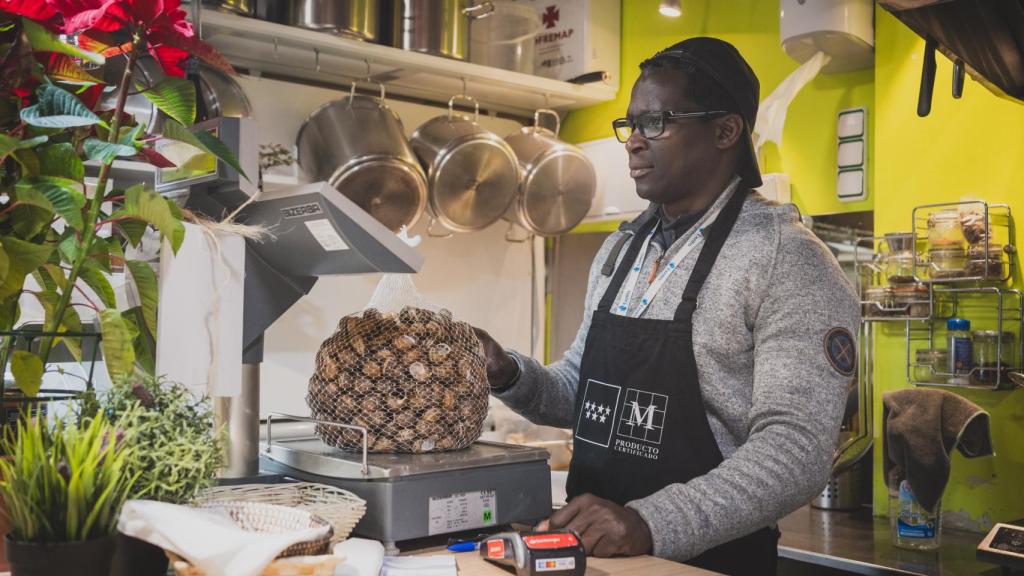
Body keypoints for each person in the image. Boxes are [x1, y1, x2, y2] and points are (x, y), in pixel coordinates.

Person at [474, 37, 861, 575]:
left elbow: (795, 451)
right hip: (596, 556)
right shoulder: (621, 250)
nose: (633, 142)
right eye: (630, 124)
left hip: (707, 563)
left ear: (725, 131)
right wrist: (508, 372)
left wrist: (650, 522)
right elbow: (583, 394)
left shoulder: (787, 261)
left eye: (656, 122)